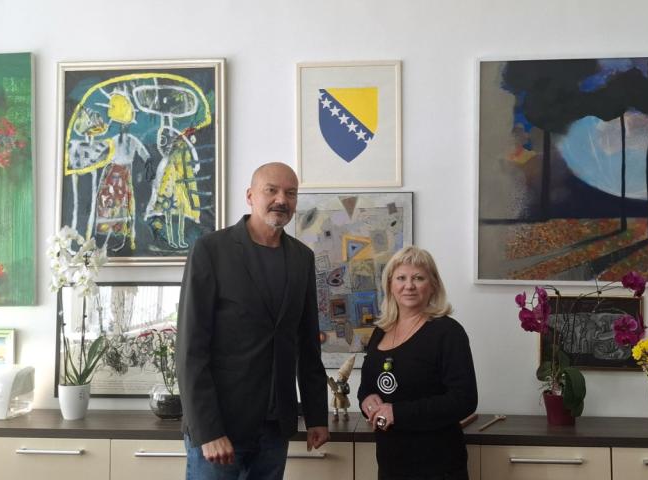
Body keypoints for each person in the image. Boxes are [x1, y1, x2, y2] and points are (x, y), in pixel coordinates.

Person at [177, 162, 330, 479]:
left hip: (274, 430)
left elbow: (307, 344)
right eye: (271, 190)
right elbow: (190, 350)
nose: (281, 200)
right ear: (250, 196)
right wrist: (208, 430)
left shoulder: (302, 258)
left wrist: (317, 416)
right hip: (220, 429)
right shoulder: (211, 250)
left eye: (290, 193)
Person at [358, 246, 478, 480]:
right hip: (391, 464)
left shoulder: (448, 332)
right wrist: (366, 400)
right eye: (401, 278)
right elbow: (368, 386)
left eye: (418, 278)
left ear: (433, 285)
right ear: (390, 285)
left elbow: (464, 400)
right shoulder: (381, 331)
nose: (409, 286)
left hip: (437, 466)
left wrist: (397, 413)